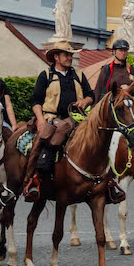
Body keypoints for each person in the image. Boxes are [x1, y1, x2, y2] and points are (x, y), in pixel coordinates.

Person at [22, 41, 93, 200]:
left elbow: (91, 95)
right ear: (56, 56)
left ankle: (106, 181)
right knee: (46, 139)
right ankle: (34, 178)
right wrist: (40, 120)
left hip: (77, 117)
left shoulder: (79, 74)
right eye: (66, 55)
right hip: (51, 118)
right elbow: (35, 101)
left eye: (71, 54)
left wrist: (85, 102)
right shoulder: (45, 75)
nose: (70, 57)